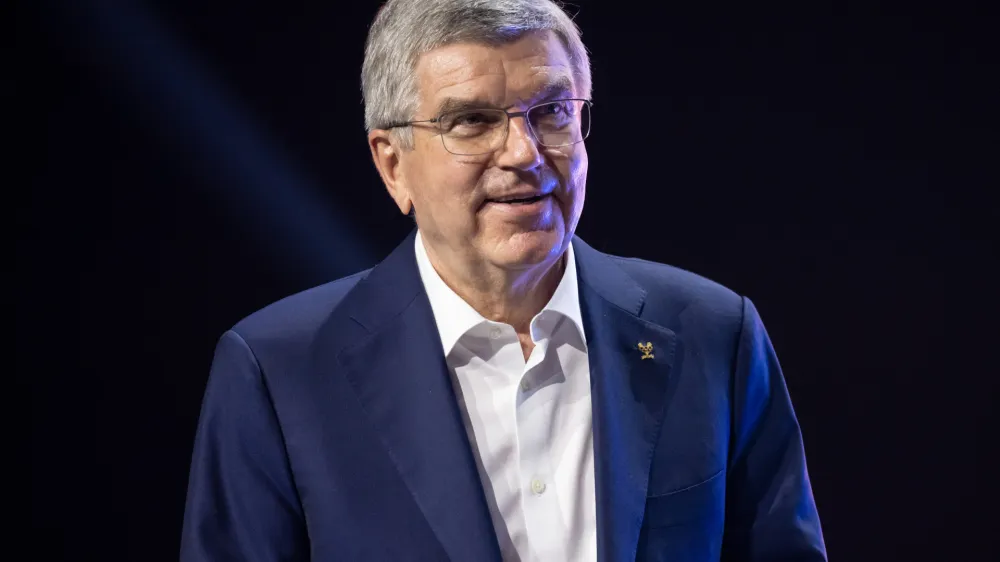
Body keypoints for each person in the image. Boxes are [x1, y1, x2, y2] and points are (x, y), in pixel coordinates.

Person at [179, 0, 827, 560]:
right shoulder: (278, 372)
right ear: (393, 164)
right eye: (472, 121)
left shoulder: (713, 334)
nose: (523, 152)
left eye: (551, 112)